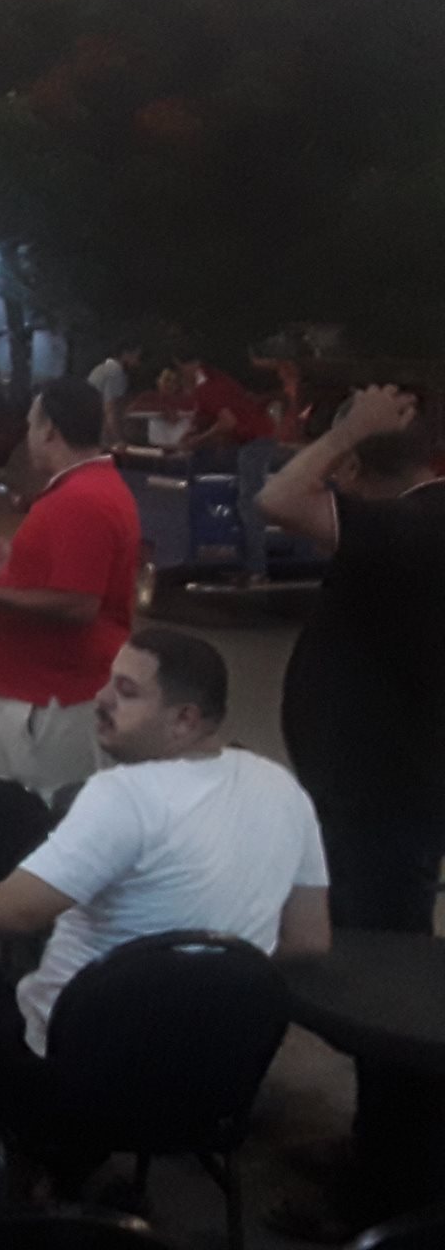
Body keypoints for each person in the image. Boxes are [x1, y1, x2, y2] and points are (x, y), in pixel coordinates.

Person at [0, 629, 330, 1057]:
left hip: (72, 1056)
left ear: (185, 719)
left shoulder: (125, 795)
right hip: (211, 1062)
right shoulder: (281, 787)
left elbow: (16, 911)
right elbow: (309, 939)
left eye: (127, 692)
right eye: (108, 682)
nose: (100, 699)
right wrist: (200, 976)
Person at [258, 386, 445, 932]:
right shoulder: (417, 522)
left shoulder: (407, 526)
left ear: (353, 467)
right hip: (397, 776)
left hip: (377, 789)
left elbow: (278, 498)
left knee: (373, 939)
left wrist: (348, 431)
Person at [0, 377, 141, 799]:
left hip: (54, 703)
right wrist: (13, 566)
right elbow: (72, 574)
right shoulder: (87, 490)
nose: (27, 436)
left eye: (32, 424)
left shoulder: (80, 500)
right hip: (52, 693)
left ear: (50, 430)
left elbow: (79, 603)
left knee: (40, 811)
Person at [175, 349, 279, 585]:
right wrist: (192, 434)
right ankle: (246, 564)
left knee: (249, 503)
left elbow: (227, 422)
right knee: (242, 500)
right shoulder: (214, 380)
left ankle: (257, 569)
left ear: (185, 366)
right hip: (251, 438)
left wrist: (196, 441)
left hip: (255, 440)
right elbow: (205, 417)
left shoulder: (207, 387)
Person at [87, 340, 143, 448]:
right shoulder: (115, 371)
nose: (137, 362)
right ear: (126, 354)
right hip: (97, 433)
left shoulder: (103, 368)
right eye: (136, 356)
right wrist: (119, 440)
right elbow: (110, 410)